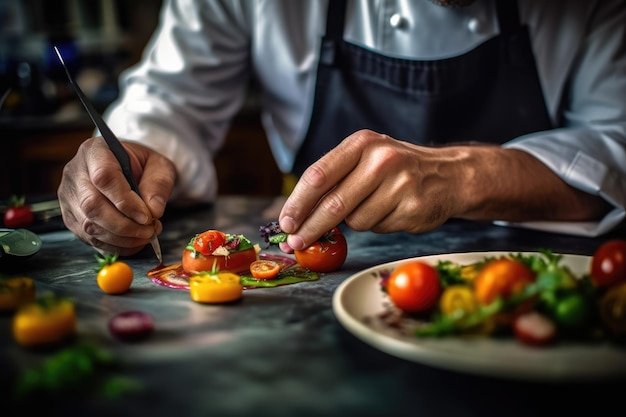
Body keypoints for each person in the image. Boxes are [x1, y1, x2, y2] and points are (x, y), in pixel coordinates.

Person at [57, 0, 626, 257]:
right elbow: (172, 100)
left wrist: (472, 175)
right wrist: (131, 156)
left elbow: (617, 139)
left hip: (534, 276)